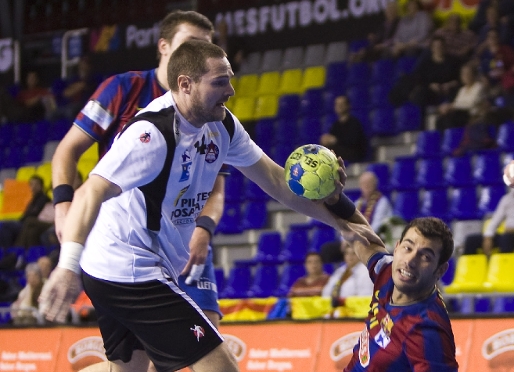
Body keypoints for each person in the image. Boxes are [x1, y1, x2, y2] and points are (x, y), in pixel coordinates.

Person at [40, 40, 375, 371]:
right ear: (185, 85)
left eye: (229, 78)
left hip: (116, 266)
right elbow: (88, 194)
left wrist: (341, 223)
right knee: (220, 365)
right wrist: (67, 266)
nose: (231, 90)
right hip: (128, 266)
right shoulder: (152, 134)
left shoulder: (222, 125)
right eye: (219, 82)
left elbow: (276, 182)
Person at [50, 10, 225, 332]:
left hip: (186, 238)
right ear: (164, 47)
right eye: (191, 44)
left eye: (208, 46)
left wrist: (204, 230)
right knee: (140, 361)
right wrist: (63, 205)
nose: (200, 54)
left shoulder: (211, 106)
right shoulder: (122, 88)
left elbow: (216, 188)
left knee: (208, 336)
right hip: (128, 241)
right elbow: (67, 150)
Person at [324, 192, 458, 370]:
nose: (410, 261)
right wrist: (334, 198)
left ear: (440, 270)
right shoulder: (387, 272)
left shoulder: (426, 330)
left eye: (425, 256)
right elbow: (355, 229)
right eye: (407, 247)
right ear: (396, 248)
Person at [320, 171, 393, 263]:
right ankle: (341, 274)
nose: (366, 186)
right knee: (327, 250)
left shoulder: (382, 202)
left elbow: (376, 227)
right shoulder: (358, 203)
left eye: (369, 183)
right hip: (353, 238)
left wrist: (356, 237)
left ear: (375, 185)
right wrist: (345, 240)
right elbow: (346, 222)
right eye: (363, 184)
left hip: (373, 240)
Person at [0, 175, 50, 250]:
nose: (33, 187)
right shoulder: (32, 200)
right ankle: (5, 251)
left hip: (32, 223)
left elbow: (35, 214)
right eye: (32, 184)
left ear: (41, 186)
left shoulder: (44, 199)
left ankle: (8, 250)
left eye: (36, 184)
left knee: (6, 225)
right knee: (3, 225)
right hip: (24, 222)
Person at [322, 240, 374, 311]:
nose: (350, 257)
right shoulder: (339, 272)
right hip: (336, 310)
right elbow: (326, 292)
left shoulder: (365, 272)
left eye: (353, 254)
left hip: (354, 311)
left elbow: (365, 298)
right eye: (347, 254)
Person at [462, 188, 514, 256]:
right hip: (507, 235)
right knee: (471, 240)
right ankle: (475, 265)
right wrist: (488, 237)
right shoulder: (507, 199)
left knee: (506, 239)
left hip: (509, 236)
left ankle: (504, 265)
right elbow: (495, 220)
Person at [435, 63, 485, 131]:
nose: (465, 76)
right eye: (463, 74)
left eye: (467, 73)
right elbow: (457, 103)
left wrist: (452, 106)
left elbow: (471, 104)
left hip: (471, 115)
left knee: (453, 117)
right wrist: (449, 107)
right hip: (459, 114)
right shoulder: (462, 89)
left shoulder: (478, 87)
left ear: (473, 74)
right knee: (441, 119)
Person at [319, 95, 368, 163]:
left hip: (353, 154)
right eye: (337, 104)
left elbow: (353, 142)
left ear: (348, 106)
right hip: (339, 152)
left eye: (342, 104)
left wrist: (335, 140)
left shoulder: (355, 123)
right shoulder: (335, 125)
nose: (339, 106)